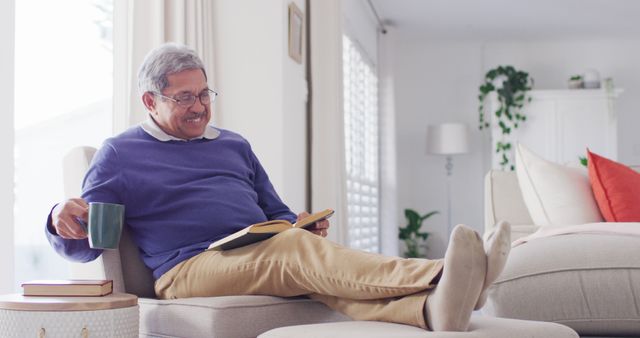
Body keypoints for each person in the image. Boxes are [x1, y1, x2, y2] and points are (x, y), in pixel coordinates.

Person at [46, 43, 511, 331]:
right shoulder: (120, 153)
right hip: (186, 269)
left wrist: (302, 226)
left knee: (299, 255)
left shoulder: (233, 144)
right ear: (151, 100)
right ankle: (440, 273)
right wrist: (57, 220)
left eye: (204, 94)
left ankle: (433, 312)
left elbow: (277, 210)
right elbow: (89, 241)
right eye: (184, 97)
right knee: (291, 252)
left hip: (257, 247)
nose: (199, 107)